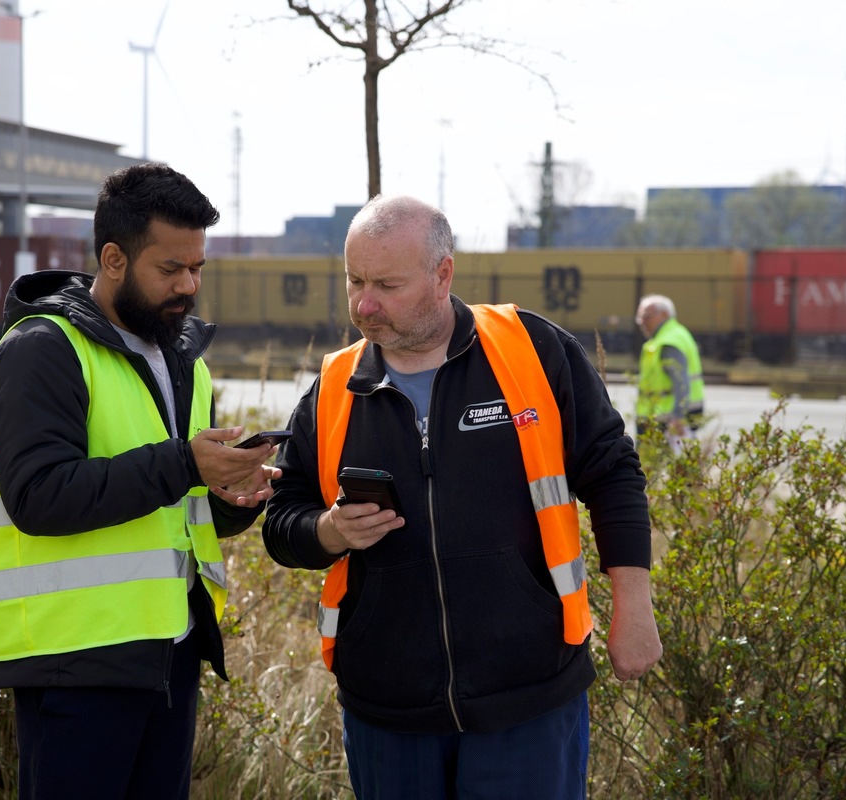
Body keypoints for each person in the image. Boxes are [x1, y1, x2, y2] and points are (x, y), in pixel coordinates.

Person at [262, 195, 662, 798]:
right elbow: (282, 518)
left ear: (443, 274)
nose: (364, 305)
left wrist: (634, 608)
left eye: (387, 285)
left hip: (529, 701)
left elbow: (613, 474)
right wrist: (329, 532)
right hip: (388, 714)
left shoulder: (532, 352)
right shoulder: (335, 388)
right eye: (354, 282)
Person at [0, 162, 280, 799]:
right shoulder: (41, 349)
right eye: (171, 269)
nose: (189, 286)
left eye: (197, 268)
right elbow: (37, 497)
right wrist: (187, 465)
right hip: (74, 663)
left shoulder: (183, 359)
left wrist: (234, 495)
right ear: (113, 258)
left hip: (167, 653)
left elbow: (180, 505)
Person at [634, 294, 704, 441]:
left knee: (655, 462)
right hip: (661, 416)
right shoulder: (674, 335)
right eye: (639, 317)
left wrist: (678, 416)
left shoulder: (668, 342)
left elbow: (681, 382)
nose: (641, 322)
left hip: (666, 418)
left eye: (646, 316)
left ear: (664, 315)